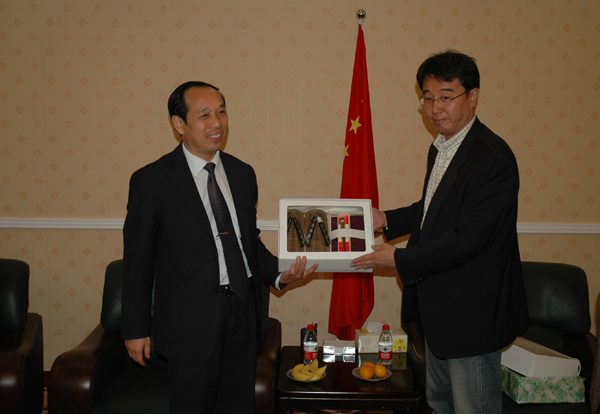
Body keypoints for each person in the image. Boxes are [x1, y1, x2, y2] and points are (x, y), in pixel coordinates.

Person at [121, 81, 318, 414]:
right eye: (204, 115)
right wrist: (136, 329)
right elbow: (137, 261)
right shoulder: (152, 180)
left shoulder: (242, 174)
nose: (217, 123)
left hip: (242, 315)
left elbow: (246, 242)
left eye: (222, 112)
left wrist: (280, 274)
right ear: (179, 123)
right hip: (189, 324)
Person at [351, 50, 528, 413]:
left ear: (473, 96)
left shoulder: (492, 158)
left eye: (446, 97)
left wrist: (400, 258)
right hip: (438, 310)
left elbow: (468, 239)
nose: (435, 109)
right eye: (428, 98)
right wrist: (387, 219)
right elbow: (435, 210)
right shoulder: (444, 147)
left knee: (472, 408)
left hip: (472, 316)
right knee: (439, 403)